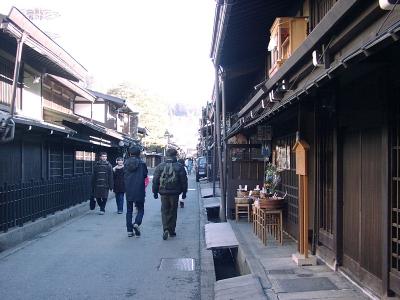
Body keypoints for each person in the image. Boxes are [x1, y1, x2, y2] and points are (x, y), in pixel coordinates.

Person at [152, 148, 188, 240]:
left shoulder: (160, 166)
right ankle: (171, 230)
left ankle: (165, 229)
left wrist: (155, 192)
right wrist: (184, 192)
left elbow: (155, 180)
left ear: (167, 155)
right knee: (173, 211)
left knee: (164, 211)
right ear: (175, 155)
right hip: (175, 193)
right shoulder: (179, 166)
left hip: (163, 192)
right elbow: (184, 181)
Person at [124, 145, 148, 237]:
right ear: (139, 153)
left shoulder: (126, 163)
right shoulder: (142, 163)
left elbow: (124, 175)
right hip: (139, 189)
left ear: (130, 153)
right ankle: (137, 223)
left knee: (129, 210)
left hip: (129, 189)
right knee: (140, 209)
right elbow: (145, 175)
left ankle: (129, 231)